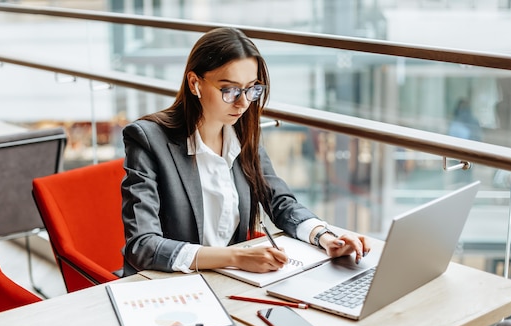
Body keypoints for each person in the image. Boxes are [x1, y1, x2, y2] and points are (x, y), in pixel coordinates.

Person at [120, 27, 370, 276]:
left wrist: (325, 238)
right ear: (195, 83)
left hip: (227, 280)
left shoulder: (241, 133)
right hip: (167, 286)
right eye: (229, 90)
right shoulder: (147, 139)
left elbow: (280, 202)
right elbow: (143, 246)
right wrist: (236, 257)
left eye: (251, 88)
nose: (243, 103)